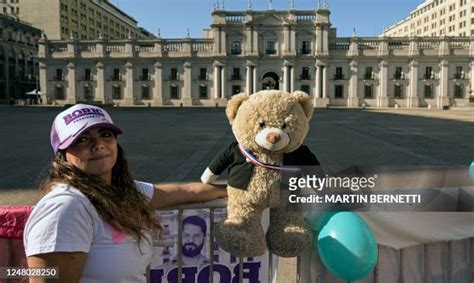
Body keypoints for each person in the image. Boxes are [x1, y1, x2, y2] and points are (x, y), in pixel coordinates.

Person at [23, 104, 227, 283]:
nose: (98, 144)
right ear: (62, 154)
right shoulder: (65, 209)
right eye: (82, 139)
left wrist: (236, 191)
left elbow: (186, 191)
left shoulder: (124, 192)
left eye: (105, 134)